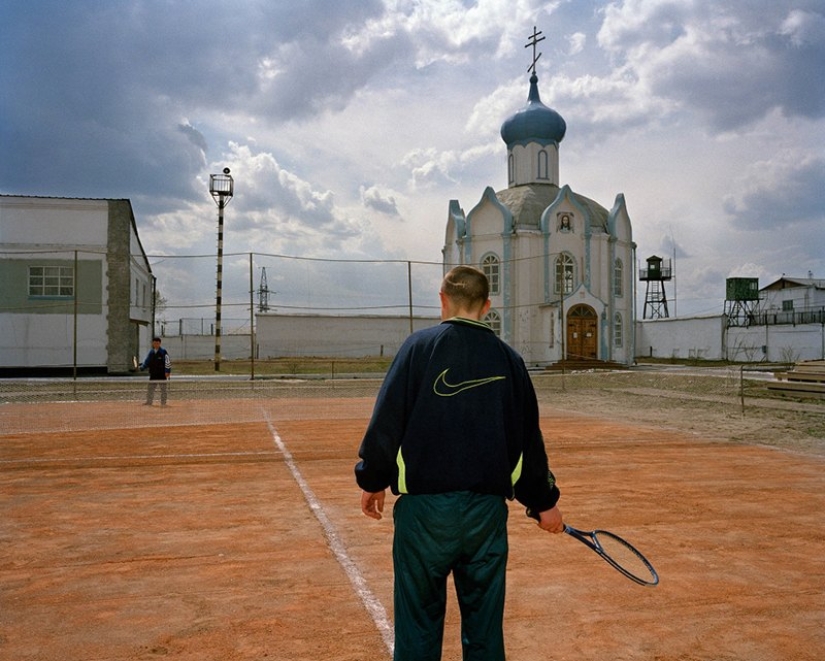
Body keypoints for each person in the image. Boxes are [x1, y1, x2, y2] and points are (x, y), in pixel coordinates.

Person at [355, 265, 563, 661]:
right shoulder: (510, 360)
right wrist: (543, 501)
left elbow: (387, 421)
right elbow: (527, 443)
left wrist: (373, 479)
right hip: (485, 516)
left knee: (418, 627)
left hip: (425, 516)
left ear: (442, 300)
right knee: (484, 630)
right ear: (487, 306)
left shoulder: (418, 348)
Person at [139, 336, 171, 406]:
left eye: (157, 343)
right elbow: (147, 362)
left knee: (163, 389)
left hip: (162, 374)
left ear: (160, 343)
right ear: (152, 343)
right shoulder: (151, 352)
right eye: (154, 343)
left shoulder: (163, 352)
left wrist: (167, 371)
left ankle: (163, 403)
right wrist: (142, 368)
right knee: (150, 388)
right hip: (153, 374)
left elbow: (167, 362)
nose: (156, 344)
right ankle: (149, 402)